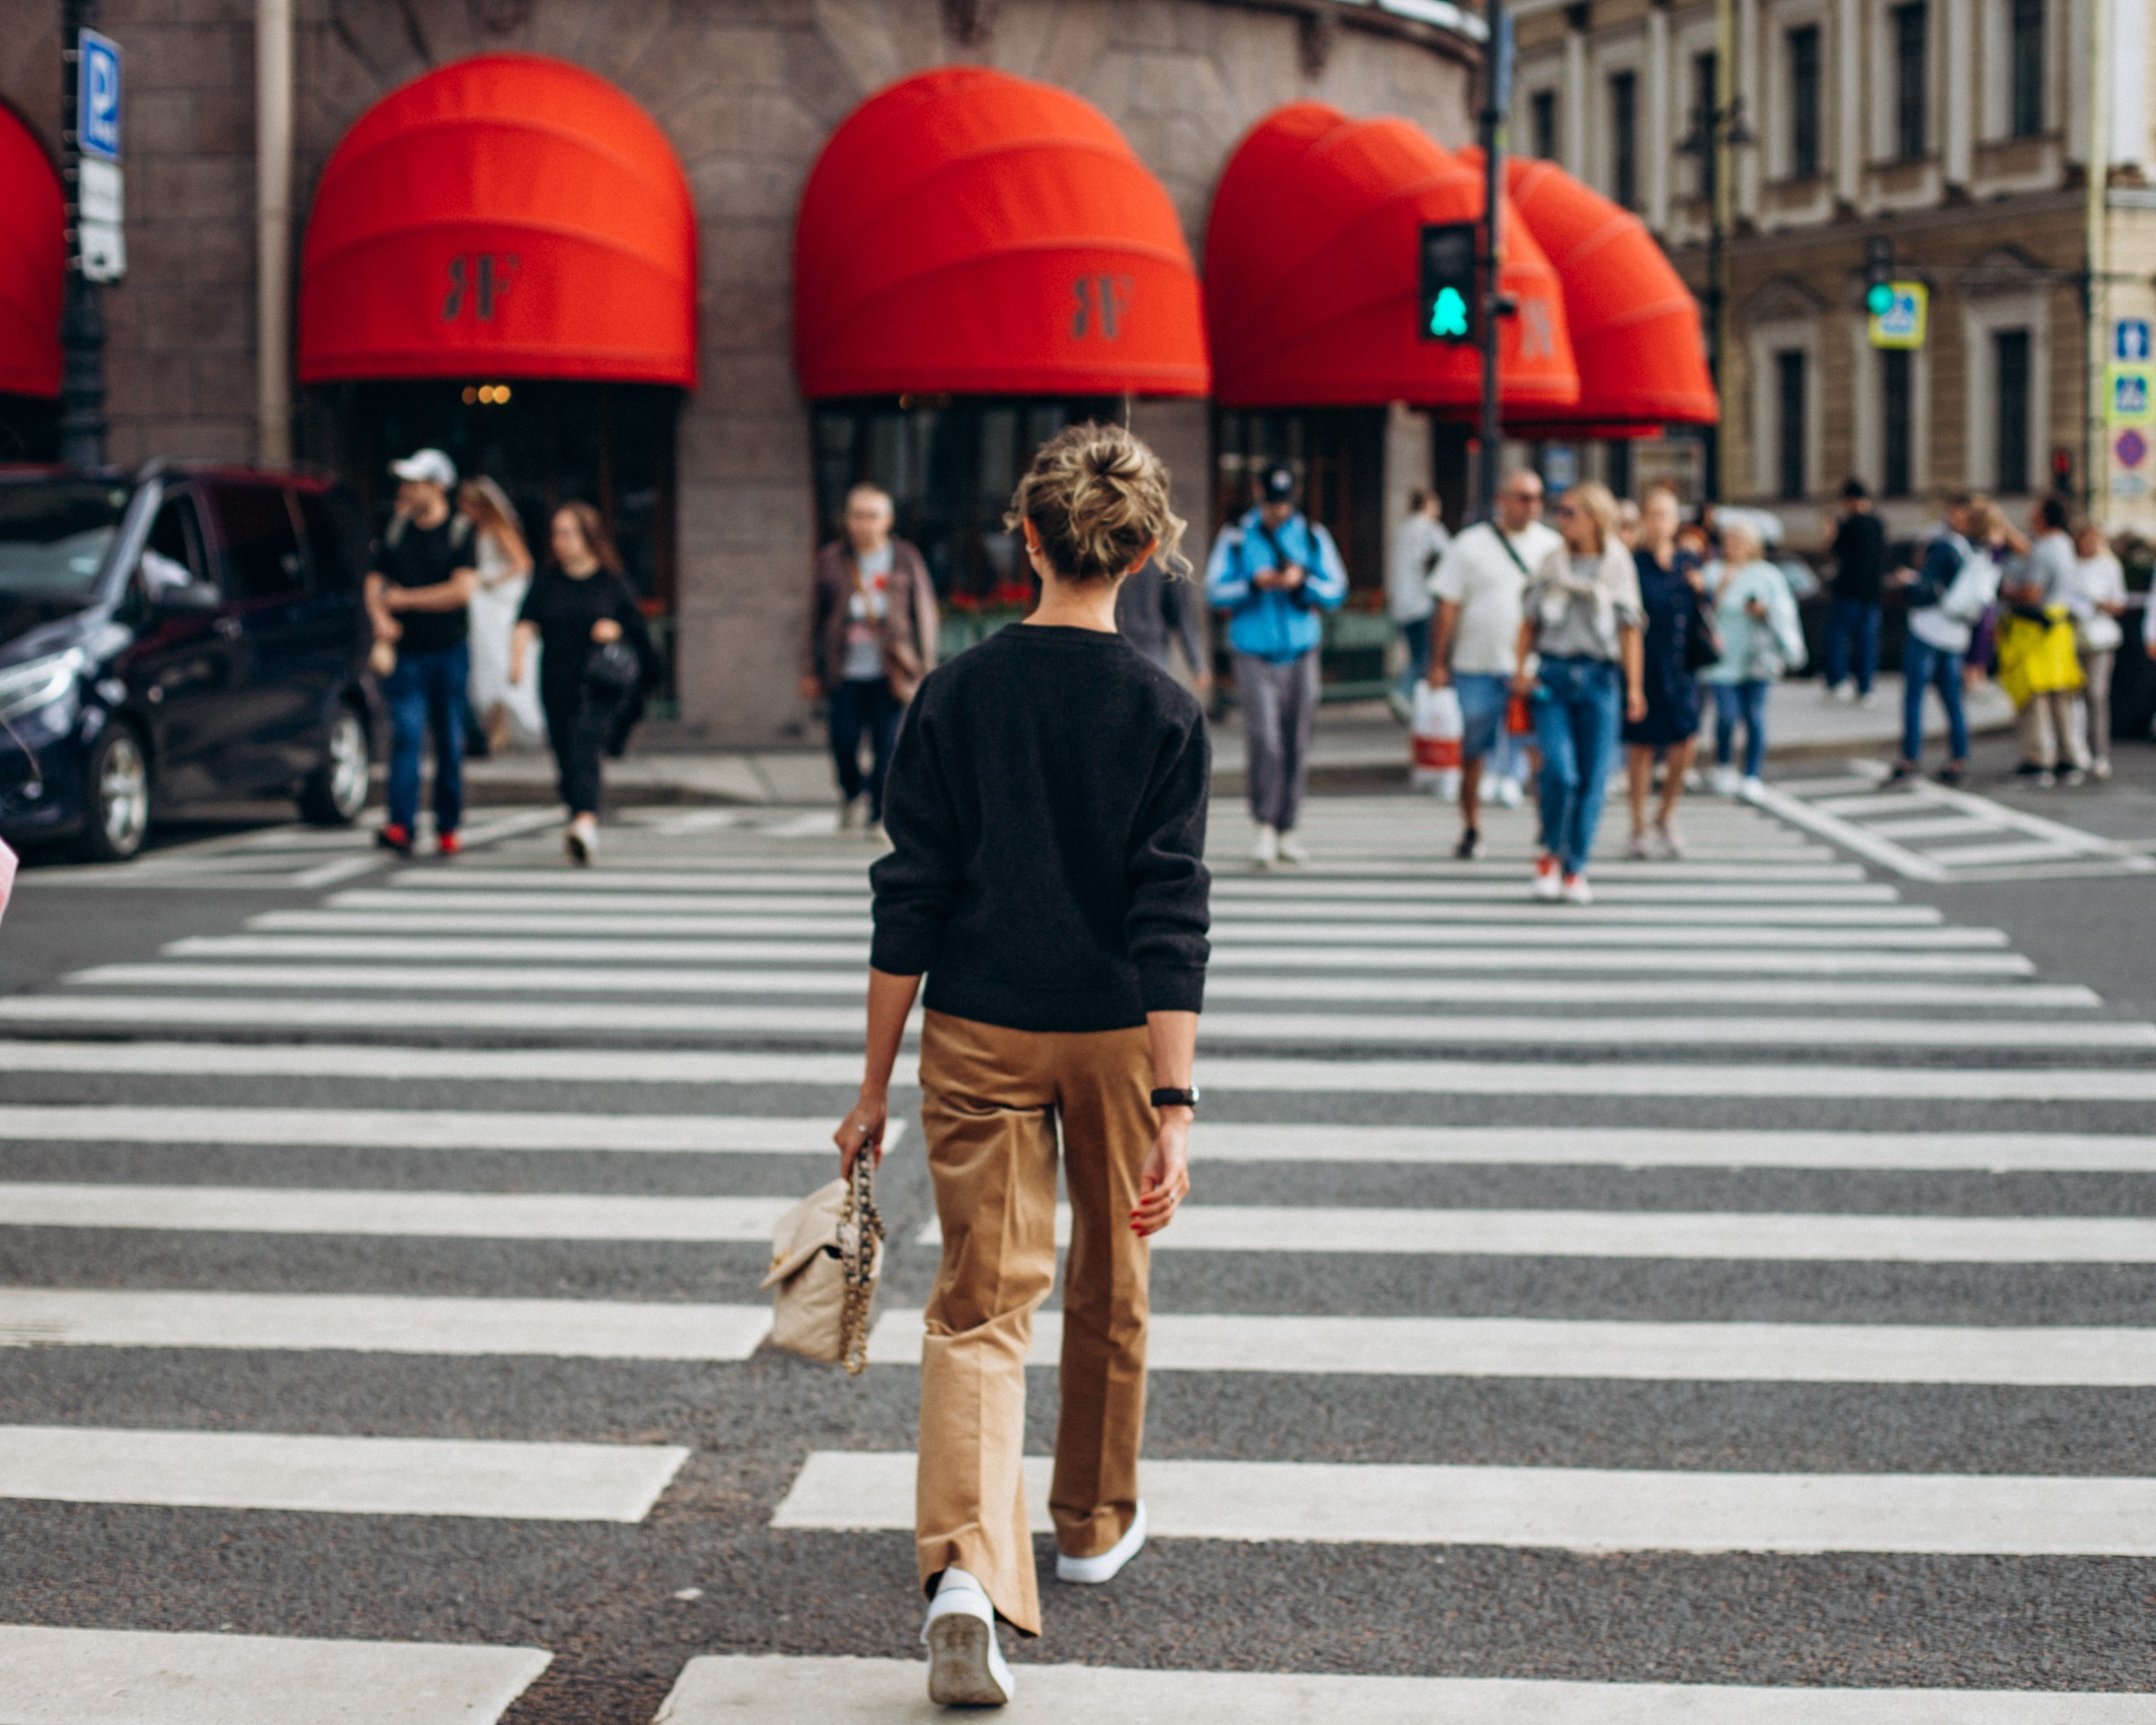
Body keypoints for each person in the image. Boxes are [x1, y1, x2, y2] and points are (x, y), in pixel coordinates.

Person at [835, 422, 1209, 1708]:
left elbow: (910, 895)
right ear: (1145, 554)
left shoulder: (955, 694)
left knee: (981, 1303)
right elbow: (1171, 912)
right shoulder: (1164, 709)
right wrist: (1175, 1102)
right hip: (1115, 1032)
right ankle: (1092, 1524)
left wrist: (872, 1086)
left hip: (978, 1023)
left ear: (1027, 539)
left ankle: (965, 1574)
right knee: (1114, 1273)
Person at [1205, 464, 1347, 867]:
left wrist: (1302, 583)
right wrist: (1253, 583)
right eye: (1271, 503)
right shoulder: (1236, 536)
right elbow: (1214, 591)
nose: (1277, 511)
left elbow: (1336, 588)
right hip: (1253, 652)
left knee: (1297, 740)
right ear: (1258, 494)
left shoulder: (1312, 535)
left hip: (1302, 651)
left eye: (1283, 503)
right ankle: (1265, 824)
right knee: (1265, 738)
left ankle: (1288, 827)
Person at [1512, 481, 1644, 905]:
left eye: (1570, 512)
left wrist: (1634, 687)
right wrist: (1520, 669)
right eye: (1561, 511)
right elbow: (1529, 621)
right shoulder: (1552, 563)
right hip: (1553, 677)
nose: (1561, 519)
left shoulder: (1617, 564)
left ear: (1595, 518)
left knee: (1593, 780)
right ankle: (1551, 850)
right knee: (1559, 772)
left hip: (1600, 678)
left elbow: (1630, 629)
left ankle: (1576, 866)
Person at [1426, 469, 1562, 856]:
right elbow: (1447, 606)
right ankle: (1471, 827)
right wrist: (1438, 662)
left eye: (1537, 498)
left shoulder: (1551, 546)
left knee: (1540, 751)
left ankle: (1547, 827)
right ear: (1502, 500)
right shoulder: (1469, 545)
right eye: (1523, 497)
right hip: (1477, 664)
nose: (1532, 506)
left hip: (1530, 668)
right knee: (1474, 752)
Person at [510, 503, 652, 866]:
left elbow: (639, 633)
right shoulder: (547, 582)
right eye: (556, 534)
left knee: (584, 746)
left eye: (568, 533)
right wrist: (516, 663)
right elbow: (525, 622)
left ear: (588, 536)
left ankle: (585, 822)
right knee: (564, 751)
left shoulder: (611, 582)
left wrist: (615, 630)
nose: (560, 541)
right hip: (556, 679)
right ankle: (578, 813)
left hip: (599, 685)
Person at [800, 483, 939, 835]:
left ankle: (879, 814)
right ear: (847, 520)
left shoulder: (905, 557)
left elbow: (924, 612)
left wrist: (925, 666)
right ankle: (852, 791)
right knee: (843, 741)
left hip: (890, 671)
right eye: (858, 516)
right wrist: (809, 668)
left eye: (873, 516)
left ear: (888, 520)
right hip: (844, 670)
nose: (865, 524)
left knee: (887, 746)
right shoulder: (832, 559)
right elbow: (814, 618)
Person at [366, 448, 478, 857]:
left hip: (449, 651)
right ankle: (401, 823)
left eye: (415, 483)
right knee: (406, 736)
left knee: (449, 739)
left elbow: (461, 591)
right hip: (408, 654)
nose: (407, 490)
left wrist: (404, 600)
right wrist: (380, 617)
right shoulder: (397, 530)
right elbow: (374, 582)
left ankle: (448, 824)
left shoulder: (460, 531)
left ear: (437, 487)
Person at [1621, 484, 1709, 858]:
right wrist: (1632, 682)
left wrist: (1702, 589)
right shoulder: (1634, 563)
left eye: (1667, 515)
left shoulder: (1687, 562)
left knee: (1686, 741)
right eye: (1654, 514)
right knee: (1642, 747)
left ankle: (1665, 814)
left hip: (1680, 666)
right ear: (1645, 518)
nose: (1660, 522)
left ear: (1676, 521)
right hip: (1645, 665)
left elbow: (1703, 610)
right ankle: (1638, 826)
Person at [1702, 519, 1804, 798]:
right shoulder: (1713, 571)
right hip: (1722, 658)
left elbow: (1784, 611)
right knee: (1726, 715)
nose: (1734, 546)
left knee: (1754, 716)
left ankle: (1752, 774)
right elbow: (1702, 611)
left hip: (1757, 658)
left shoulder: (1767, 574)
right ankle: (1724, 766)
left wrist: (1763, 610)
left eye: (1740, 540)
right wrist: (1722, 587)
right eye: (1730, 540)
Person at [1888, 494, 1984, 786]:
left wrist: (1908, 582)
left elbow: (1926, 589)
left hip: (1928, 630)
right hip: (1956, 634)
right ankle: (1958, 758)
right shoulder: (1976, 550)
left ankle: (1910, 758)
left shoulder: (1945, 546)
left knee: (1914, 696)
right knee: (1952, 698)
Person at [1997, 495, 2088, 786]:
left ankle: (2037, 760)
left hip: (2036, 632)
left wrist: (2005, 592)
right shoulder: (2064, 544)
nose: (2030, 514)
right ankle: (2068, 757)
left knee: (2033, 697)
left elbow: (2032, 593)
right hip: (2059, 630)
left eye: (2034, 511)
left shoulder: (2045, 548)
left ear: (2044, 517)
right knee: (2061, 696)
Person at [458, 478, 541, 756]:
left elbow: (523, 563)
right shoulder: (472, 531)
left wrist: (492, 580)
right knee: (486, 664)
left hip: (498, 603)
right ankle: (492, 727)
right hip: (482, 605)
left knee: (499, 660)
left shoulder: (499, 530)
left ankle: (499, 728)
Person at [1821, 478, 1888, 705]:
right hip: (1871, 592)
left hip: (1848, 591)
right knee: (1866, 642)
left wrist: (1832, 532)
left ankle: (1837, 681)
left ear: (1849, 500)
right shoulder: (1878, 523)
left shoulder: (1850, 525)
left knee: (1837, 637)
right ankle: (1865, 687)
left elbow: (1834, 552)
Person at [2070, 521, 2125, 781]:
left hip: (2099, 638)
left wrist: (2099, 603)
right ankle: (2075, 750)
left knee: (2096, 694)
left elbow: (2119, 603)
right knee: (2072, 697)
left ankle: (2099, 753)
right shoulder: (2072, 564)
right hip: (2072, 636)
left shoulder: (2108, 566)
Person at [1115, 553, 1213, 696]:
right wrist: (1198, 665)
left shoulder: (1111, 556)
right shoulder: (1167, 562)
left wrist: (1198, 664)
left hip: (1118, 642)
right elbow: (1183, 616)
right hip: (1152, 648)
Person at [1385, 488, 1447, 713]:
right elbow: (1450, 555)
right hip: (1422, 602)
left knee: (1416, 653)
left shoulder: (1402, 530)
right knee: (1424, 657)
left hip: (1401, 604)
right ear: (1428, 505)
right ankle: (1404, 693)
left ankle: (1414, 701)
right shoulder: (1430, 529)